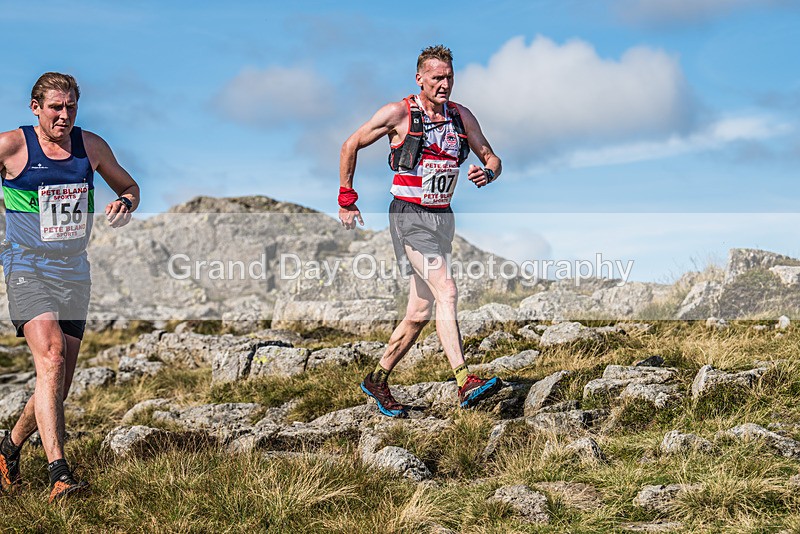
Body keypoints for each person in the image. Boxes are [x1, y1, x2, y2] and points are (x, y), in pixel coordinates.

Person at [339, 45, 503, 417]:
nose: (444, 84)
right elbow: (350, 144)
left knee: (420, 310)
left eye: (449, 78)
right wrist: (347, 198)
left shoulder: (461, 116)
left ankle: (377, 379)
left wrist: (489, 171)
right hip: (409, 216)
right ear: (420, 79)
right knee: (447, 288)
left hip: (442, 218)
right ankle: (464, 381)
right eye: (437, 78)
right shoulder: (399, 113)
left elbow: (491, 156)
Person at [0, 72, 139, 502]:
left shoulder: (91, 147)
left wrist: (125, 203)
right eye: (56, 107)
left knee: (57, 381)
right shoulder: (11, 146)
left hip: (73, 271)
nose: (64, 116)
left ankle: (8, 447)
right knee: (52, 356)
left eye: (71, 108)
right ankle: (60, 473)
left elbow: (131, 187)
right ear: (35, 107)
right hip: (26, 265)